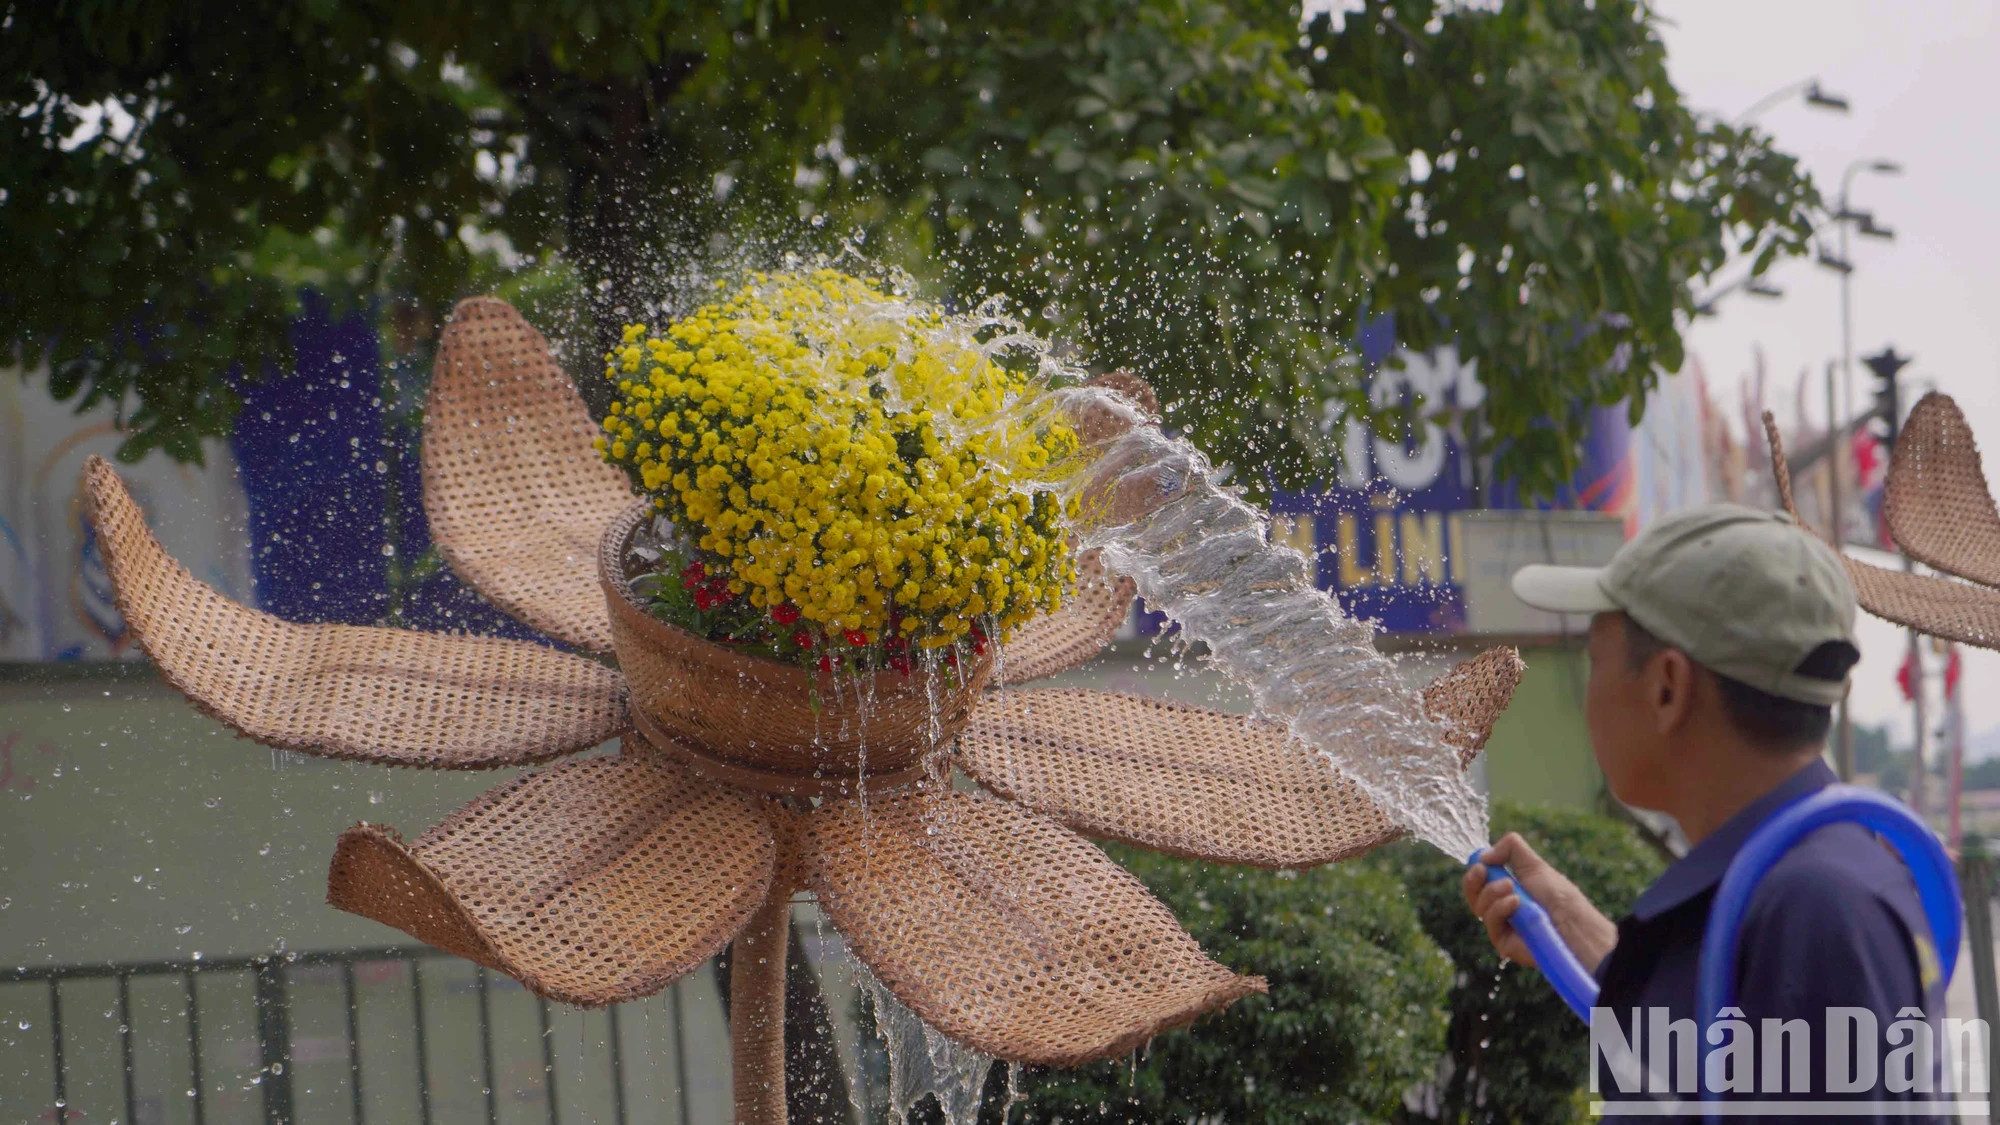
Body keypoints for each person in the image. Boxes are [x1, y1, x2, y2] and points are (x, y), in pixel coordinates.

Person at [1464, 503, 1951, 1120]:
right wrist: (1569, 926)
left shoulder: (1812, 912)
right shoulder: (1801, 881)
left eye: (1596, 659)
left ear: (1667, 687)